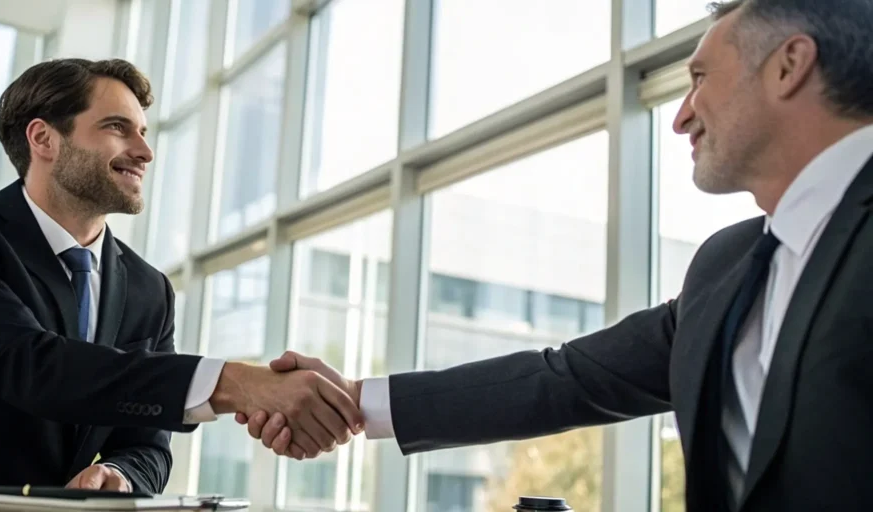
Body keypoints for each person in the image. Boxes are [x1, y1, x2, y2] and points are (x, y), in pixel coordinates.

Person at [238, 0, 873, 510]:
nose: (681, 117)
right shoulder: (727, 265)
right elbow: (567, 378)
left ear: (789, 65)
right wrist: (351, 400)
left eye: (700, 78)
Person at [0, 58, 363, 492]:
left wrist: (120, 473)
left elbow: (149, 447)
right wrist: (236, 383)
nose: (145, 151)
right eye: (118, 127)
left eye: (143, 132)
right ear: (43, 138)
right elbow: (29, 365)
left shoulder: (149, 289)